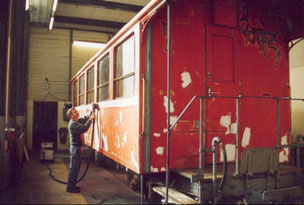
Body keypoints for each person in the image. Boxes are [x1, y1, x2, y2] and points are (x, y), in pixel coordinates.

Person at [66, 107, 95, 193]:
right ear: (71, 116)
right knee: (74, 168)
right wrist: (90, 119)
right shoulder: (73, 124)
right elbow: (83, 128)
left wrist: (91, 112)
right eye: (75, 112)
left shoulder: (76, 121)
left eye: (76, 111)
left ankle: (72, 186)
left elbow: (84, 118)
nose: (77, 113)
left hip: (77, 148)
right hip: (75, 148)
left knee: (76, 168)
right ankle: (70, 188)